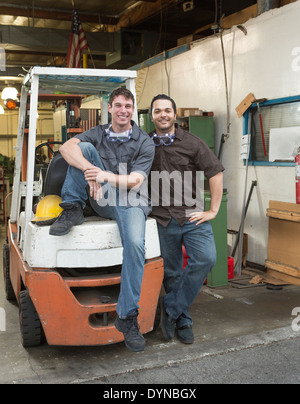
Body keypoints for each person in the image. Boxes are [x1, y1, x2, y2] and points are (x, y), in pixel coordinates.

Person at [49, 87, 155, 352]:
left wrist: (103, 176)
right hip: (103, 197)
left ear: (133, 111)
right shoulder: (97, 133)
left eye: (128, 107)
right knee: (81, 147)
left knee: (136, 244)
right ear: (109, 108)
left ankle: (127, 317)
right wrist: (89, 170)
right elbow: (65, 147)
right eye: (118, 105)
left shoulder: (145, 142)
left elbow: (135, 181)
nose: (123, 111)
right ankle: (73, 207)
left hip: (132, 199)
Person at [149, 94, 224, 344]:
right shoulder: (145, 145)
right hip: (161, 219)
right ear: (152, 116)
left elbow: (215, 172)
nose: (163, 114)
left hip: (193, 215)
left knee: (205, 259)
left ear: (174, 113)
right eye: (158, 111)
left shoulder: (193, 143)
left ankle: (170, 308)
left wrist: (213, 210)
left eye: (167, 110)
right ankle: (182, 318)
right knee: (171, 272)